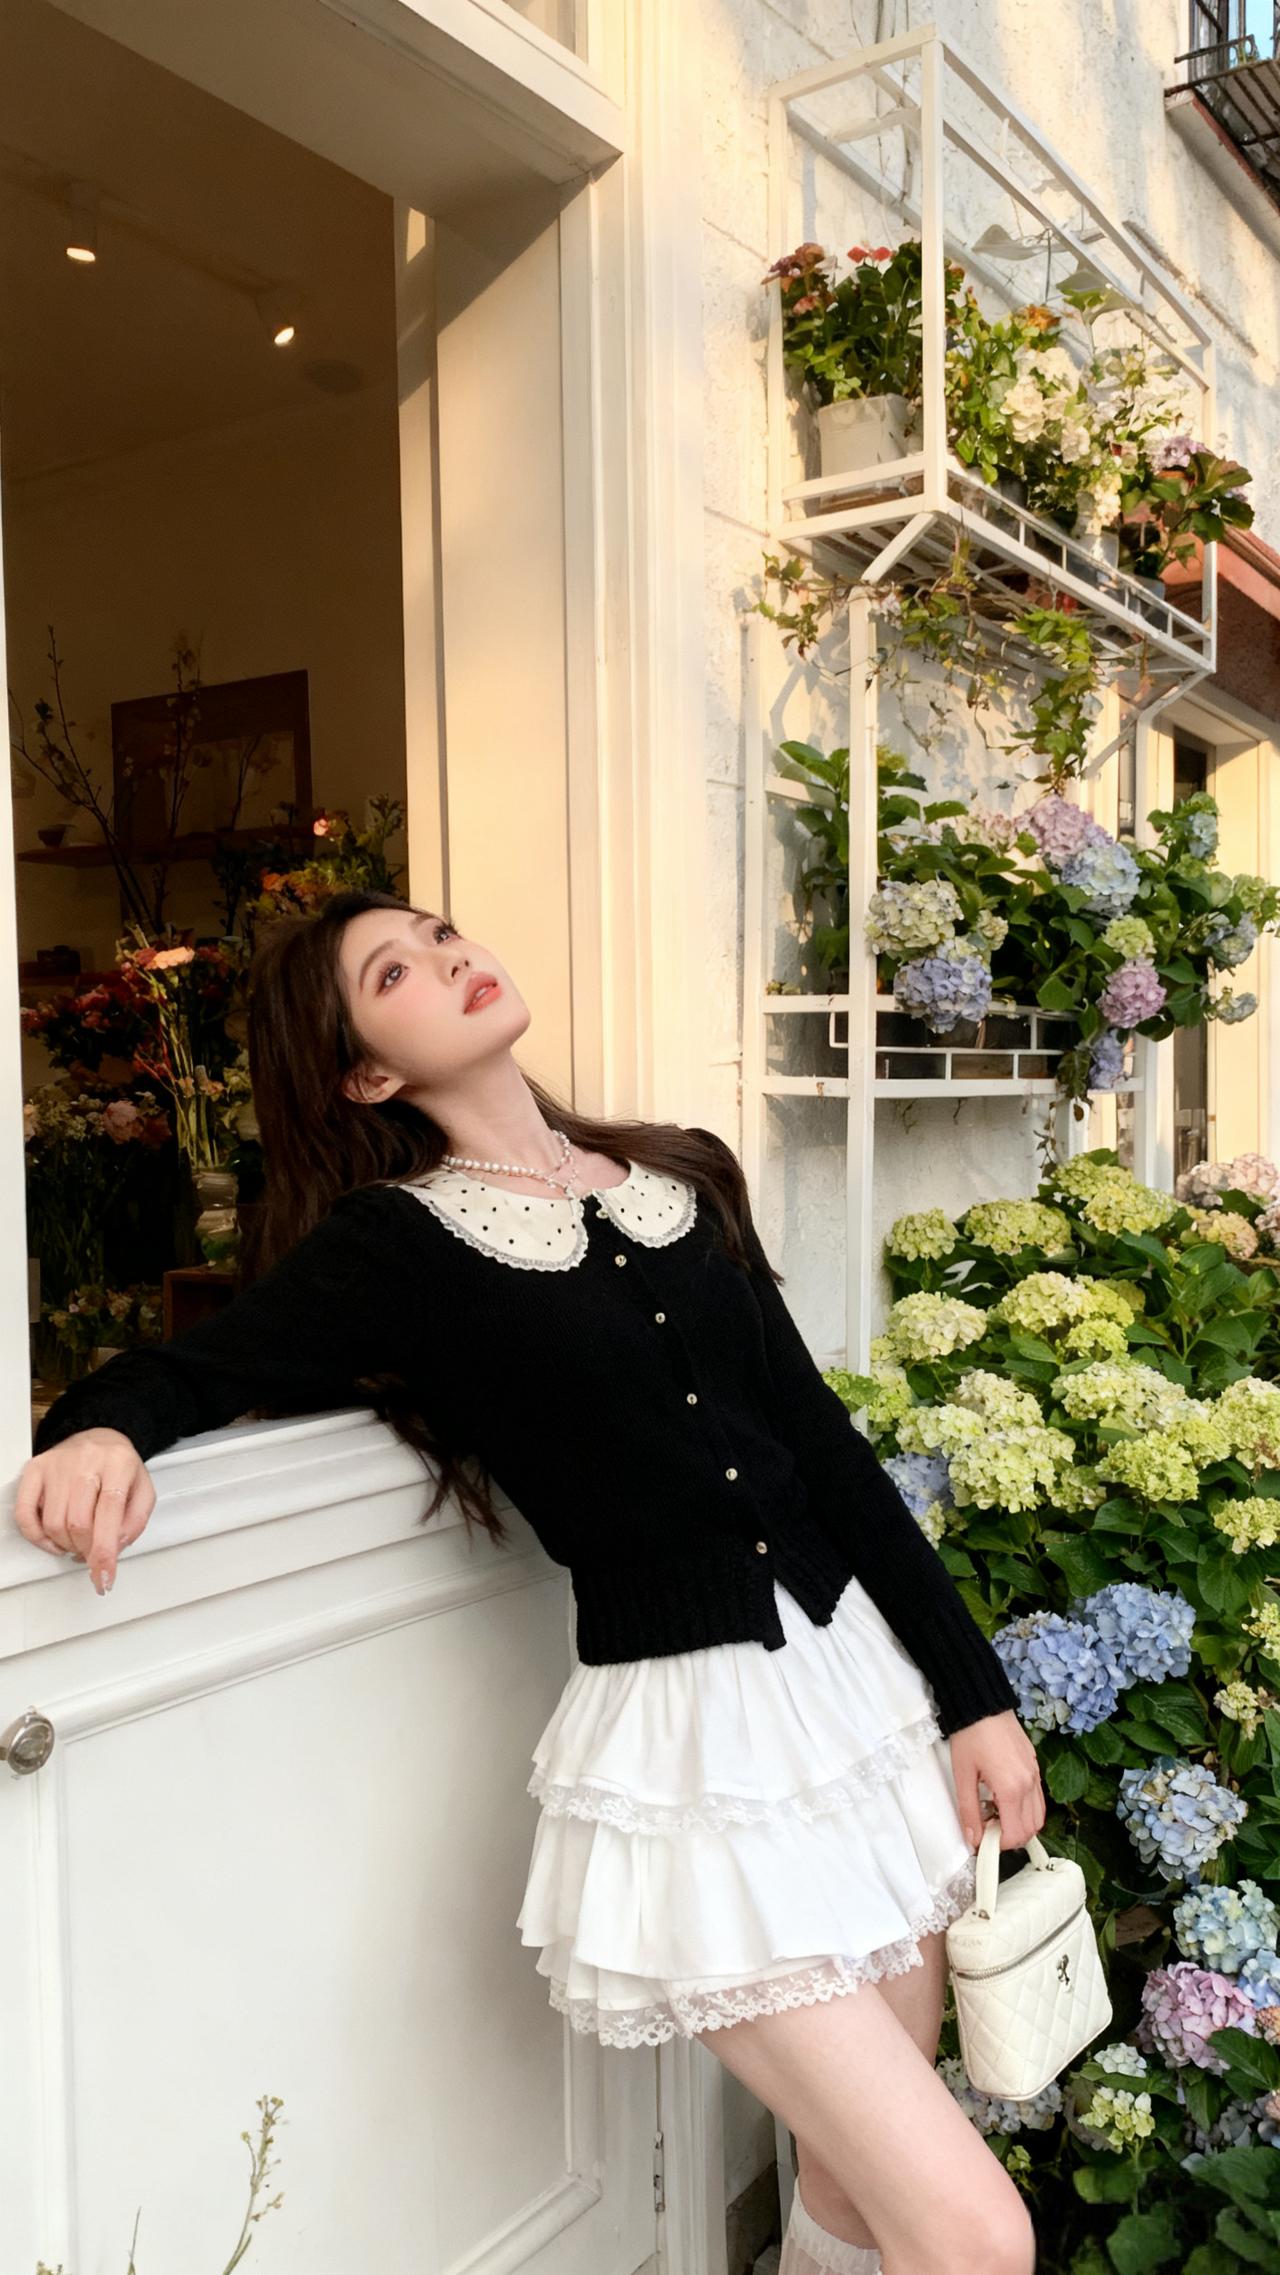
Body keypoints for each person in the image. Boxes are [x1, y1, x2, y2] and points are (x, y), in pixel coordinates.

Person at [16, 889, 1043, 2275]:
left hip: (856, 1704)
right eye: (396, 973)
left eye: (442, 936)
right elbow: (193, 1367)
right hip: (693, 1760)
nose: (451, 961)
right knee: (976, 2236)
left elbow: (826, 1454)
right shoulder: (400, 1245)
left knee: (858, 2204)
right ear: (367, 1075)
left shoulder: (683, 1175)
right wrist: (100, 1430)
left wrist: (974, 1698)